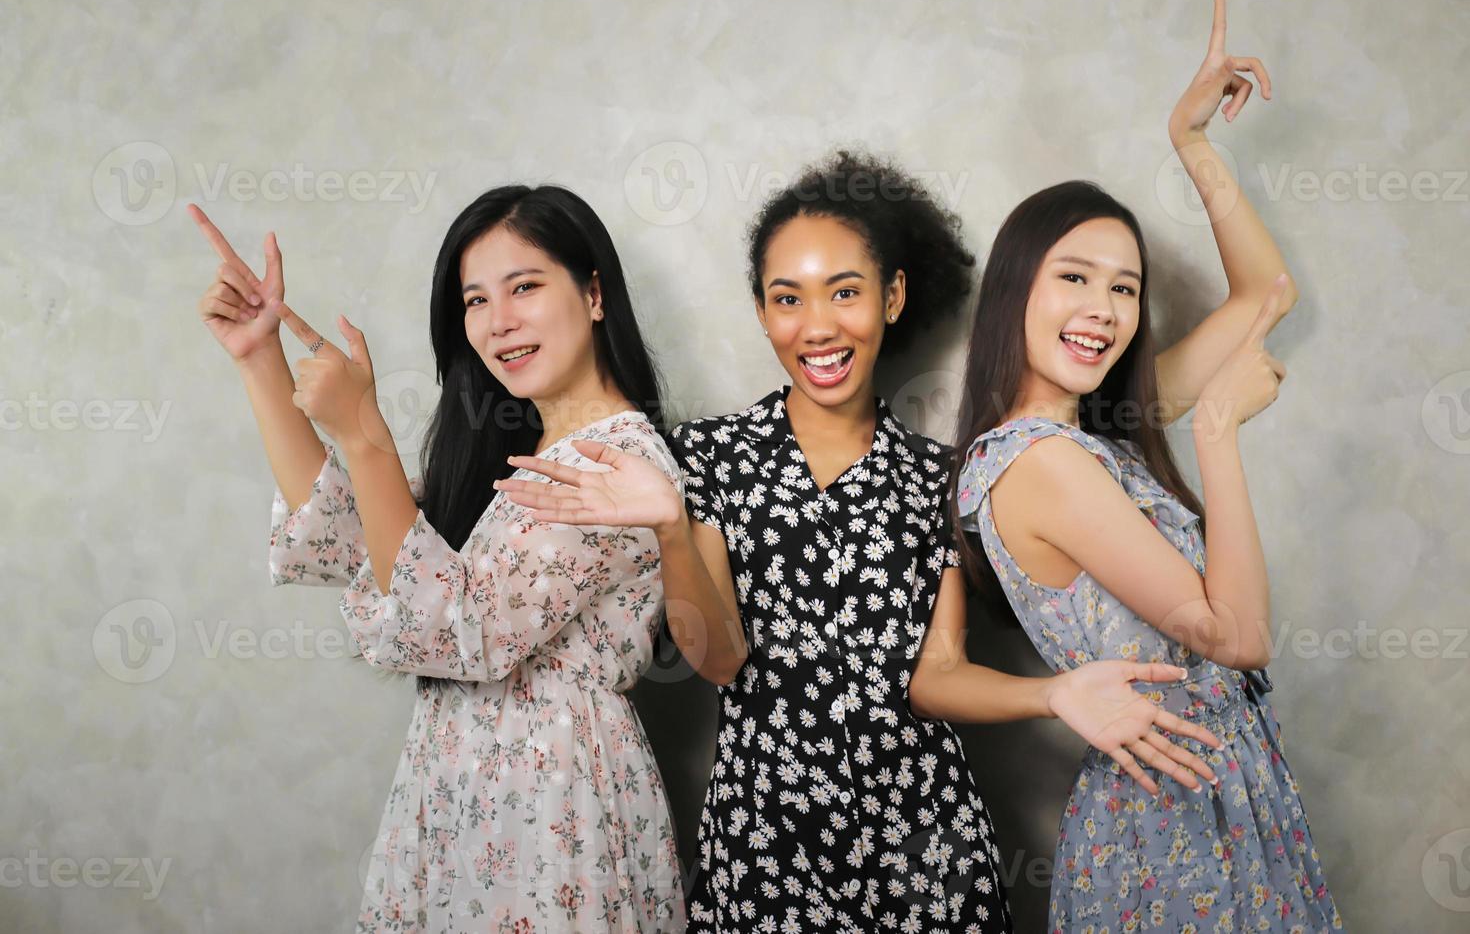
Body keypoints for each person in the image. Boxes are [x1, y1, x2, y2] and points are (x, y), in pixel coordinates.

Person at [494, 152, 1224, 932]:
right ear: (762, 311)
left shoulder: (941, 478)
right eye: (788, 299)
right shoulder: (707, 456)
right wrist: (673, 528)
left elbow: (938, 673)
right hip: (765, 854)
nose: (818, 327)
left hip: (927, 852)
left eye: (845, 292)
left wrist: (1052, 694)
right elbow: (719, 657)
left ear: (894, 296)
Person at [950, 0, 1343, 931]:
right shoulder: (1040, 462)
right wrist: (1215, 432)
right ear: (1016, 293)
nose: (1103, 308)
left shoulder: (1100, 432)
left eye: (1123, 288)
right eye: (1074, 279)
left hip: (1227, 795)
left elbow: (1266, 292)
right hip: (1166, 826)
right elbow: (1234, 637)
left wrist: (1192, 144)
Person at [191, 185, 687, 932]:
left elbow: (454, 624)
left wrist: (366, 435)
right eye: (475, 299)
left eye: (524, 286)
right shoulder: (520, 460)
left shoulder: (615, 464)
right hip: (462, 794)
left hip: (550, 806)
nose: (499, 322)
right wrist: (260, 357)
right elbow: (351, 538)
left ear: (592, 294)